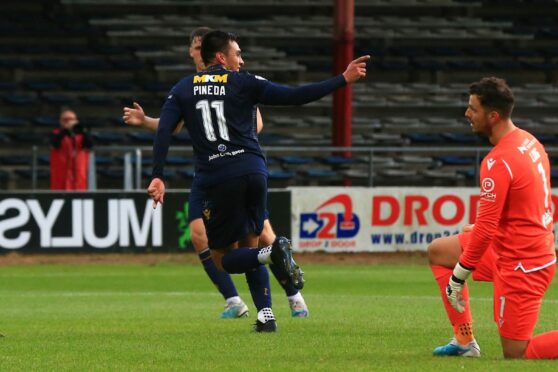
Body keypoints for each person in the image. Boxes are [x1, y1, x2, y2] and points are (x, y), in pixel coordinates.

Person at [148, 30, 369, 332]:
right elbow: (294, 96)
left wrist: (158, 174)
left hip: (218, 176)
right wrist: (342, 78)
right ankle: (266, 316)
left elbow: (164, 132)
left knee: (223, 258)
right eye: (237, 54)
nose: (241, 59)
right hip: (254, 171)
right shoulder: (245, 82)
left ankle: (270, 255)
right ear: (220, 57)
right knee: (250, 243)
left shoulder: (183, 89)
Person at [125, 27, 309, 320]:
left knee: (262, 234)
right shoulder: (190, 87)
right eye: (195, 46)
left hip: (233, 167)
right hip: (207, 172)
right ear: (191, 51)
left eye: (202, 46)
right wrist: (146, 120)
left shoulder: (235, 80)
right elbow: (172, 126)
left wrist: (233, 140)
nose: (199, 51)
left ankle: (292, 295)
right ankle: (235, 301)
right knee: (200, 237)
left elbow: (256, 122)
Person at [431, 77, 558, 359]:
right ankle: (464, 342)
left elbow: (487, 229)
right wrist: (484, 228)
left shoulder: (498, 161)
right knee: (439, 252)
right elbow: (529, 203)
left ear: (493, 116)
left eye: (473, 109)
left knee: (517, 352)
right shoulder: (530, 141)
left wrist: (458, 277)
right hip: (517, 246)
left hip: (522, 263)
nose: (467, 114)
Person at [50, 107, 93, 190]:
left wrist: (83, 131)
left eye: (71, 119)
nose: (69, 122)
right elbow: (54, 144)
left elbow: (89, 145)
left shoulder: (82, 134)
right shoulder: (56, 133)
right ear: (60, 121)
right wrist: (65, 130)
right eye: (65, 119)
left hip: (78, 175)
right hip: (61, 175)